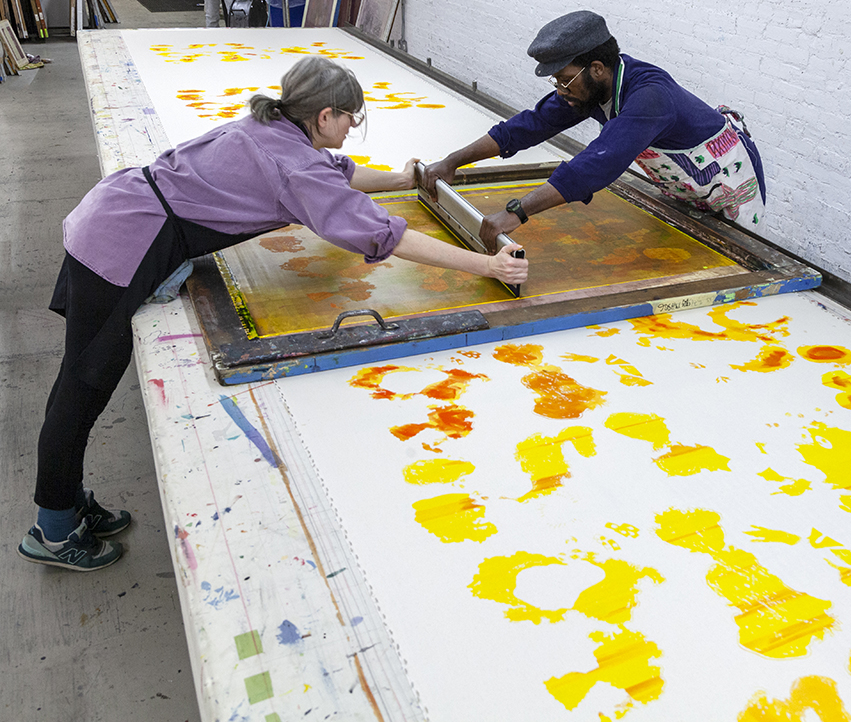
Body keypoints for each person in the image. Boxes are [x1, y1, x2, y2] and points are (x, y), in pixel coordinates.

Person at [18, 56, 527, 572]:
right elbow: (382, 234)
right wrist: (486, 263)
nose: (354, 125)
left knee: (87, 377)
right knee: (84, 381)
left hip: (121, 210)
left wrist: (401, 177)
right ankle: (54, 529)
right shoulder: (294, 163)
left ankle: (68, 504)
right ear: (324, 116)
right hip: (122, 238)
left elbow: (341, 175)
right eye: (352, 116)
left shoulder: (274, 127)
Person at [423, 10, 767, 251]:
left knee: (735, 256)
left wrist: (516, 212)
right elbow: (528, 126)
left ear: (597, 68)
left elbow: (597, 164)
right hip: (683, 182)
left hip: (729, 181)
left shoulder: (649, 97)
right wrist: (453, 161)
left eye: (563, 79)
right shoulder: (586, 89)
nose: (560, 89)